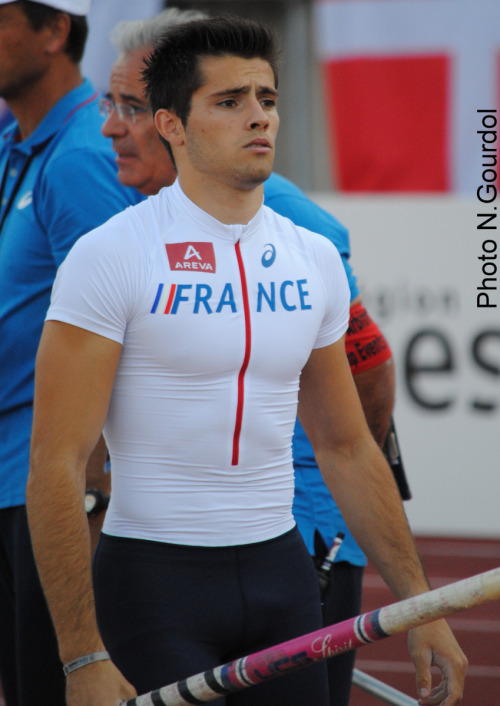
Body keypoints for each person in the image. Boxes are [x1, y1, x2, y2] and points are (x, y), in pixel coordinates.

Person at [26, 16, 467, 706]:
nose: (258, 117)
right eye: (229, 102)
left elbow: (348, 445)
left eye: (266, 98)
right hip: (152, 585)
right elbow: (55, 461)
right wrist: (82, 655)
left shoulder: (311, 256)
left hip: (280, 577)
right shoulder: (112, 255)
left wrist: (420, 606)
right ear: (172, 124)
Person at [101, 10, 396, 705]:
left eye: (130, 108)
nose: (112, 126)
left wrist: (327, 494)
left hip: (297, 537)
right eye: (111, 105)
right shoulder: (134, 226)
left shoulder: (294, 223)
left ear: (172, 117)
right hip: (171, 558)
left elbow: (370, 365)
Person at [0, 1, 142, 704]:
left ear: (54, 31)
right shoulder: (17, 143)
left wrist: (94, 497)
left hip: (47, 484)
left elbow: (121, 333)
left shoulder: (84, 155)